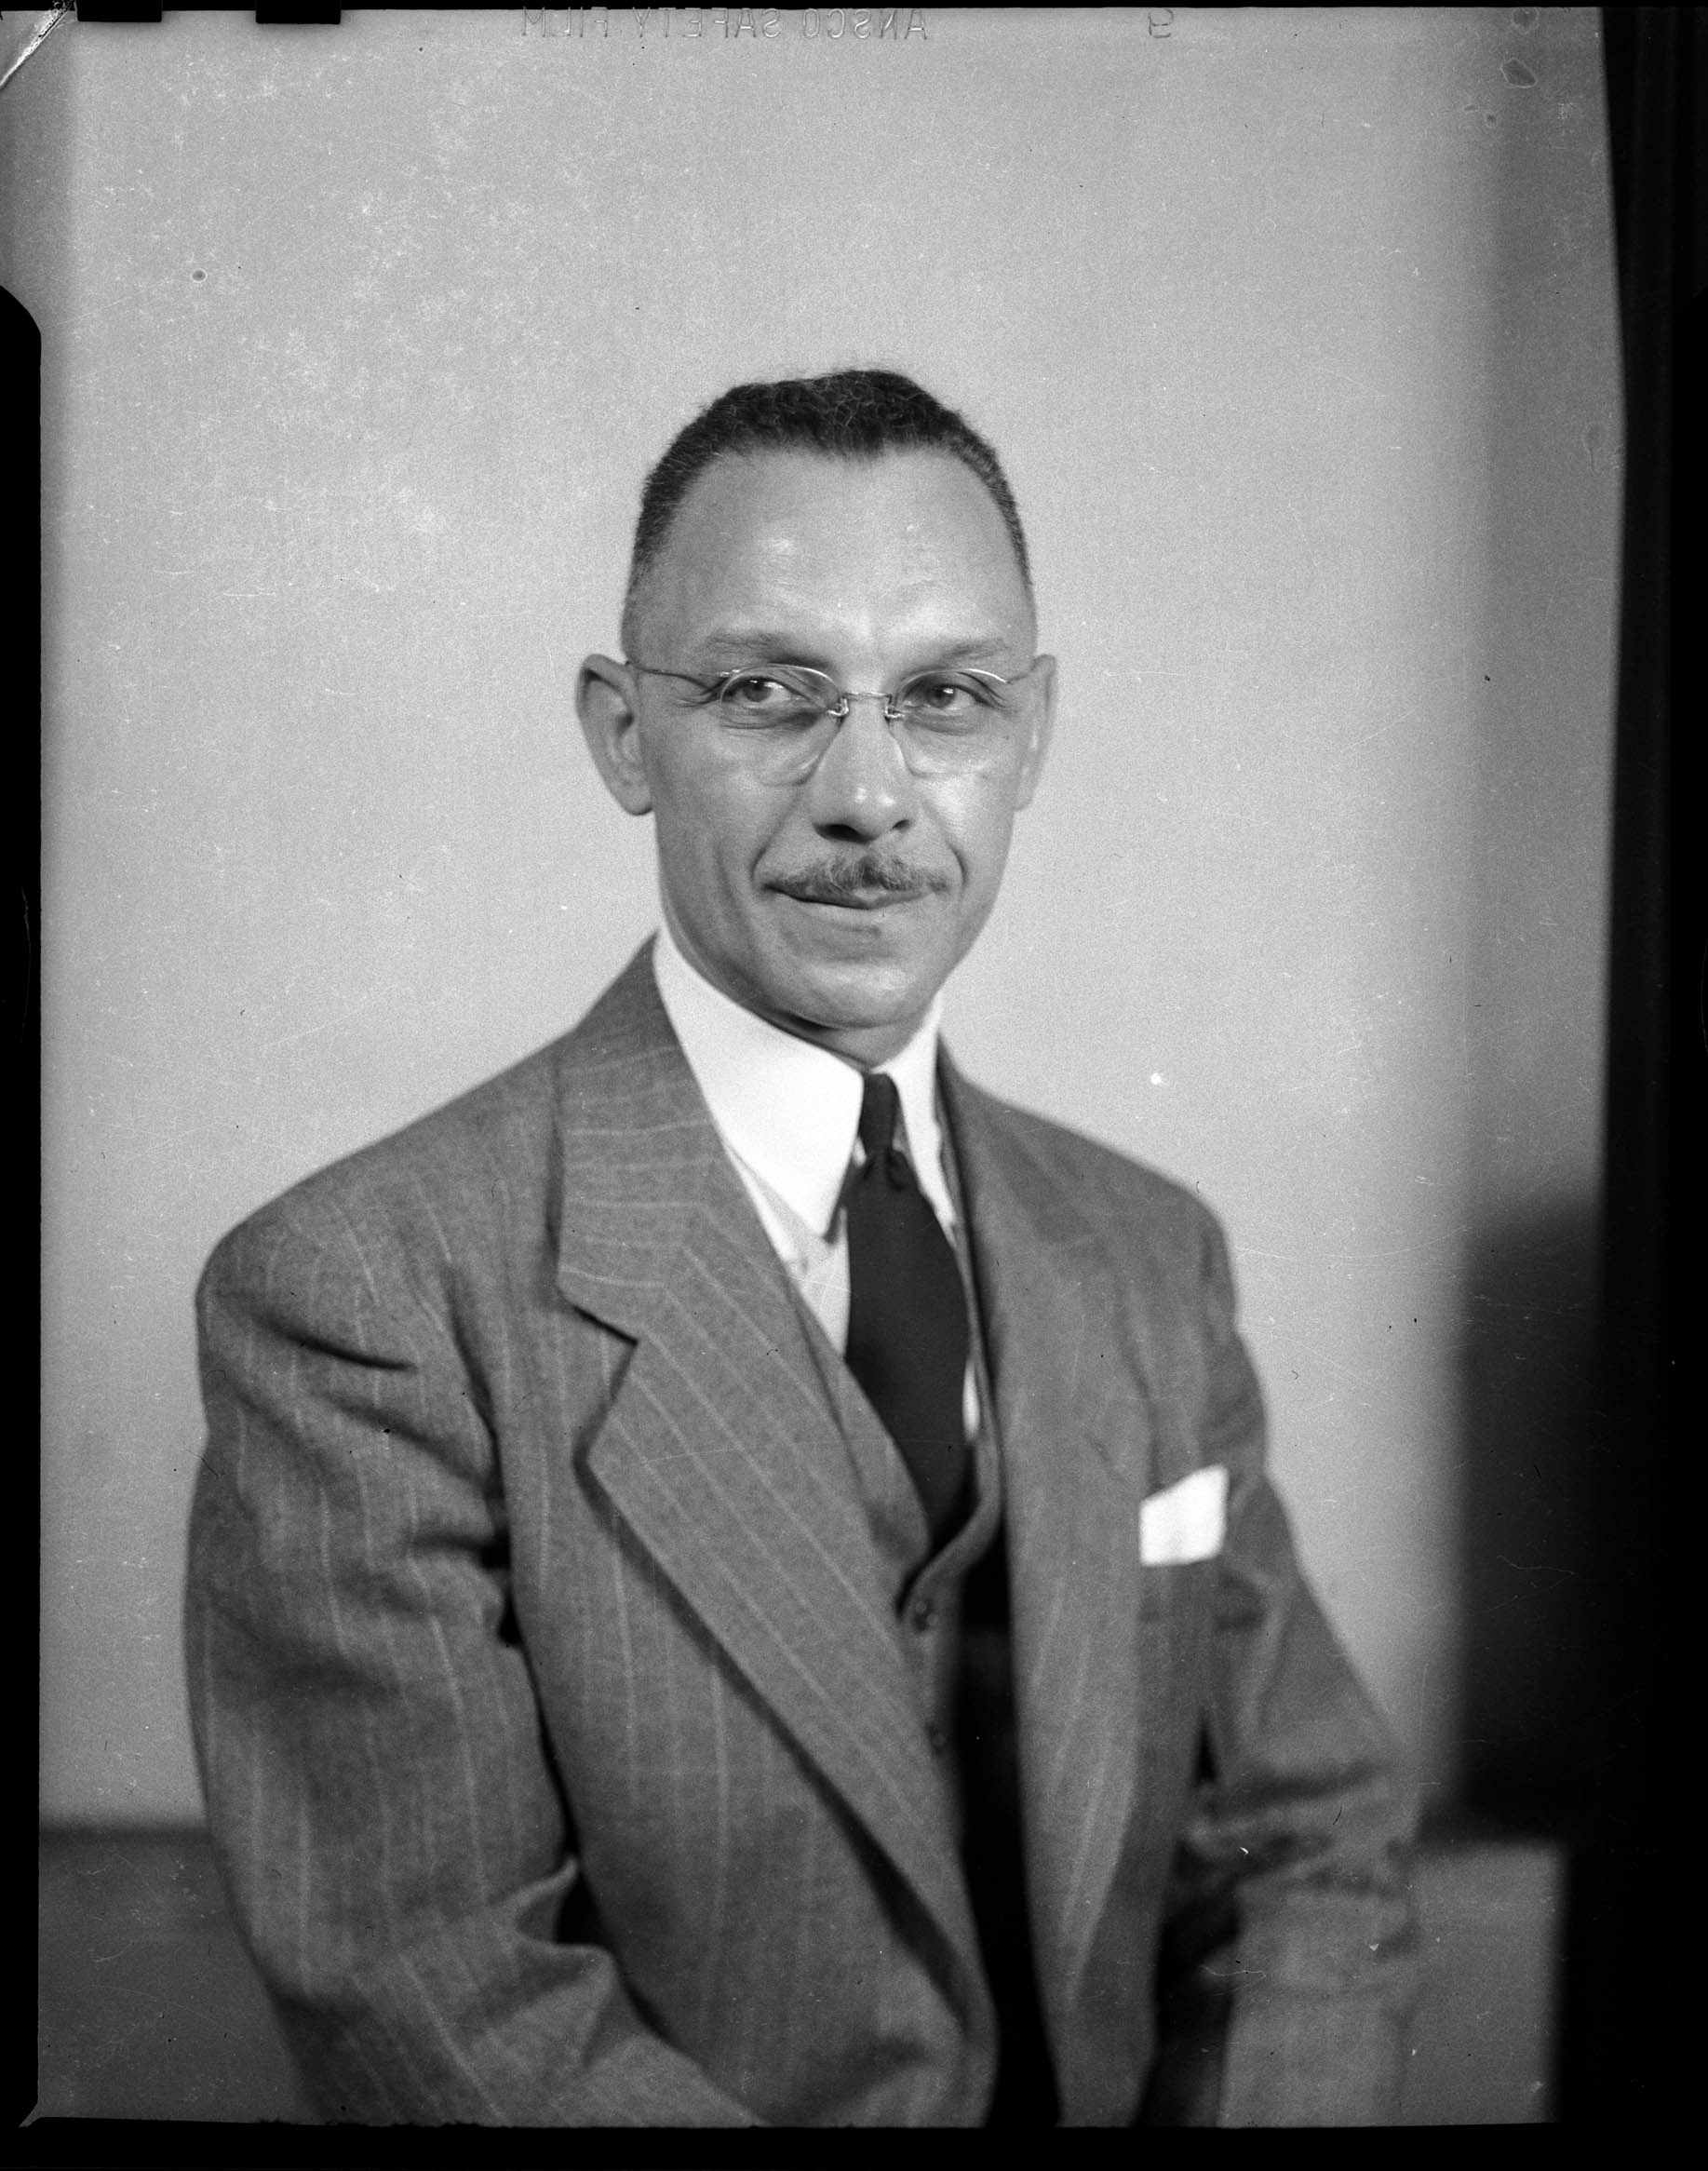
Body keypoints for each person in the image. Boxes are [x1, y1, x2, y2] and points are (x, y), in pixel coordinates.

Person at [184, 369, 1419, 2127]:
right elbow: (441, 2000)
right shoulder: (364, 1299)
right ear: (624, 736)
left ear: (1034, 737)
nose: (869, 795)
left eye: (946, 699)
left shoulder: (1148, 1256)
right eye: (767, 692)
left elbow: (1308, 1840)